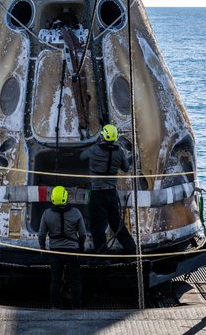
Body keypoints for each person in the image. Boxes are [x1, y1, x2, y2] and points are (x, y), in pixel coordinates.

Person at [79, 124, 137, 254]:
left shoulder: (94, 150)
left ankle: (102, 252)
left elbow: (81, 157)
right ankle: (131, 248)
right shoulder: (119, 152)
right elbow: (126, 168)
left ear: (103, 136)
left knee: (97, 225)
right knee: (116, 222)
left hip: (97, 194)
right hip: (111, 193)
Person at [38, 186, 87, 309]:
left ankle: (55, 306)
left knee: (56, 280)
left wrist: (42, 248)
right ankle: (77, 306)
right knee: (75, 280)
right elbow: (83, 234)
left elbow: (41, 234)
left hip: (55, 252)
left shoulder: (46, 214)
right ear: (66, 197)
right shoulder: (76, 213)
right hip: (72, 251)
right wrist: (80, 247)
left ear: (53, 198)